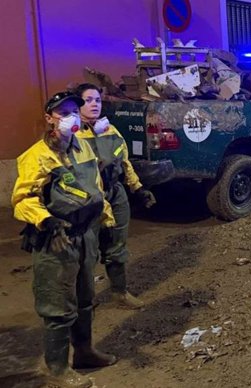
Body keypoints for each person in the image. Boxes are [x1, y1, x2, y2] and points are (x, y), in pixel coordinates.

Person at [12, 91, 118, 387]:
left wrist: (105, 218)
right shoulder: (37, 155)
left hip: (86, 234)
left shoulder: (83, 146)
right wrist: (46, 221)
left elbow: (95, 188)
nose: (70, 116)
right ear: (49, 118)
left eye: (74, 109)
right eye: (62, 113)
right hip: (56, 238)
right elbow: (22, 199)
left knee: (85, 298)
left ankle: (84, 352)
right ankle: (56, 368)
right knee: (57, 304)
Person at [74, 83, 156, 309]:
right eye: (88, 100)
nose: (94, 104)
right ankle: (84, 302)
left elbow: (125, 162)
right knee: (86, 252)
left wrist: (137, 188)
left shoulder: (111, 131)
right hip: (86, 199)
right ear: (77, 104)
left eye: (98, 100)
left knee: (117, 246)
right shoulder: (71, 135)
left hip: (115, 194)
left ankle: (119, 293)